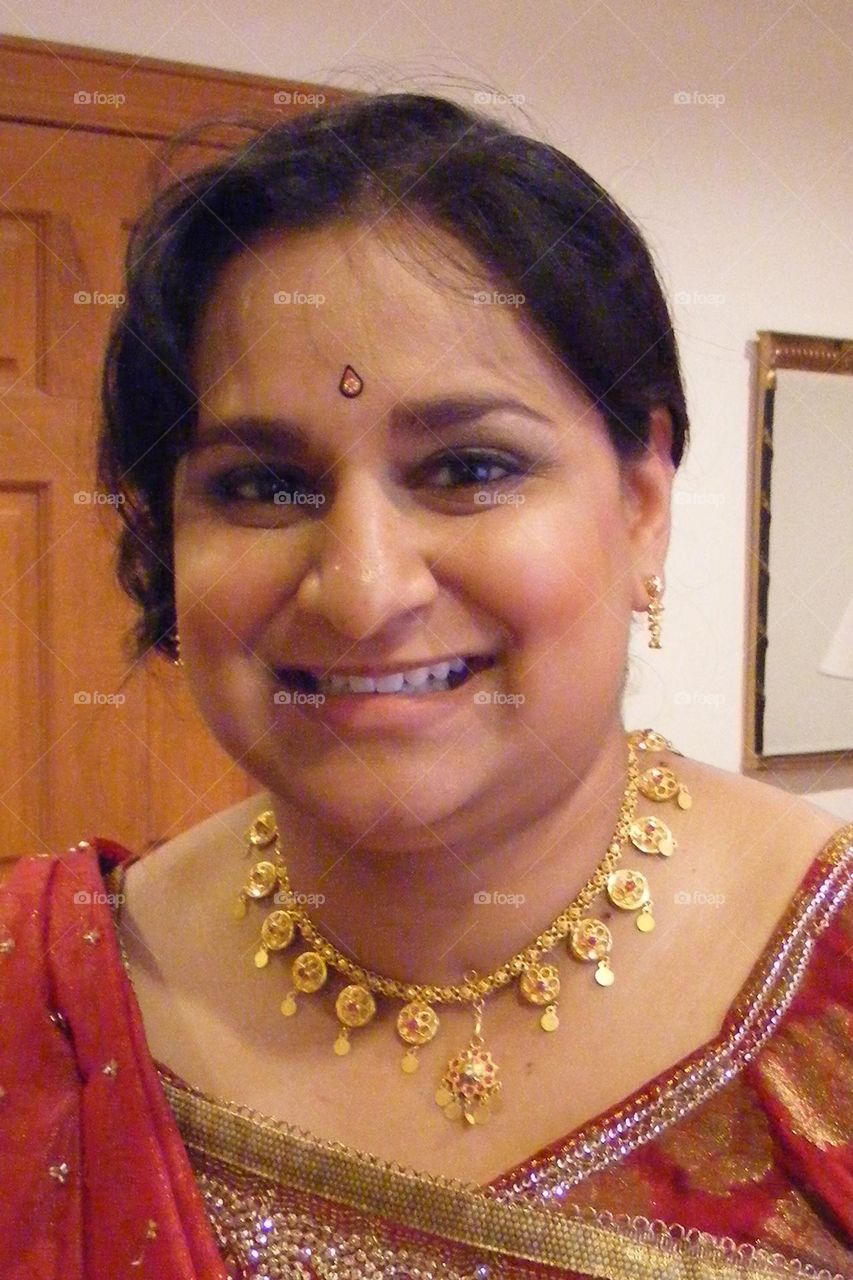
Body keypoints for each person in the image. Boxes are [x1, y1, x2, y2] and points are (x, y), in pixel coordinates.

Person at [1, 92, 850, 1280]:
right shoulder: (37, 997)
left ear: (643, 502)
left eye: (468, 466)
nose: (360, 589)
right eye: (263, 485)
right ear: (164, 536)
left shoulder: (831, 976)